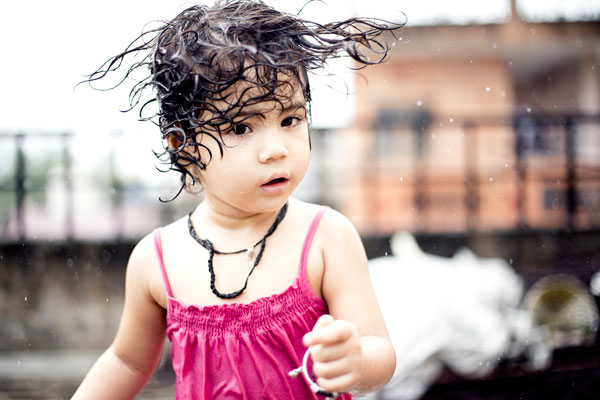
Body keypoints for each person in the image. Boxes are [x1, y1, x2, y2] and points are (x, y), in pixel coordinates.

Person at [73, 1, 400, 398]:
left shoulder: (326, 237)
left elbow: (378, 352)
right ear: (184, 147)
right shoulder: (155, 259)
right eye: (242, 127)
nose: (276, 149)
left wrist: (355, 361)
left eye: (290, 120)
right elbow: (127, 361)